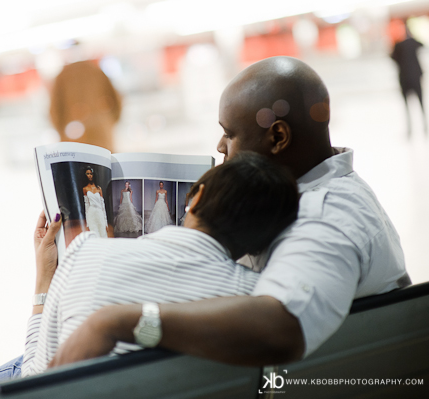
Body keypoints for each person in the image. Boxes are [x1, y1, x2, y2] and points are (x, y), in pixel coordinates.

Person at [47, 56, 410, 368]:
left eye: (230, 134)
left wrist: (123, 320)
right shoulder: (313, 190)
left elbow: (283, 326)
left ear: (278, 137)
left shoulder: (326, 215)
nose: (220, 146)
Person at [0, 152, 300, 388]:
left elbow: (36, 378)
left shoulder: (86, 251)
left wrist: (44, 279)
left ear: (194, 199)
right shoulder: (258, 303)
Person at [49, 61, 122, 152]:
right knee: (106, 162)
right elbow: (117, 102)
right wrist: (106, 122)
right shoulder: (97, 72)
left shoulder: (62, 76)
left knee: (75, 163)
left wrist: (64, 129)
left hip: (72, 136)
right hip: (101, 133)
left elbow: (54, 112)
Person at [391, 24, 427, 136]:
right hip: (415, 77)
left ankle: (411, 128)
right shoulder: (412, 43)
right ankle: (424, 126)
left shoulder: (397, 46)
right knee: (421, 104)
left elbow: (392, 57)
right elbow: (422, 44)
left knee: (407, 105)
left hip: (404, 78)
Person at [82, 166, 108, 238]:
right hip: (91, 213)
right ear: (85, 175)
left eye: (91, 174)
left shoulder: (99, 188)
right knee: (94, 233)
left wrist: (106, 222)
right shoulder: (85, 189)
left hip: (99, 213)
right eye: (88, 174)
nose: (90, 175)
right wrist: (87, 223)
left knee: (103, 233)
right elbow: (86, 206)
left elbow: (103, 205)